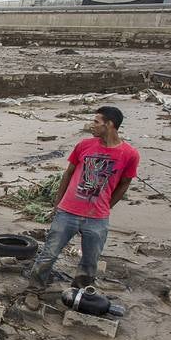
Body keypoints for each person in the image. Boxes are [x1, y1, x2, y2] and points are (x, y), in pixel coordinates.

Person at [25, 106, 140, 288]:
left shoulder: (129, 154)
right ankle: (34, 288)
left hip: (97, 217)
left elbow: (125, 183)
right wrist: (58, 203)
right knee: (49, 253)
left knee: (90, 261)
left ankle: (80, 293)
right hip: (68, 211)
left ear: (109, 125)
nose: (91, 125)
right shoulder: (84, 145)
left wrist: (107, 206)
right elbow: (68, 174)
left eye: (96, 122)